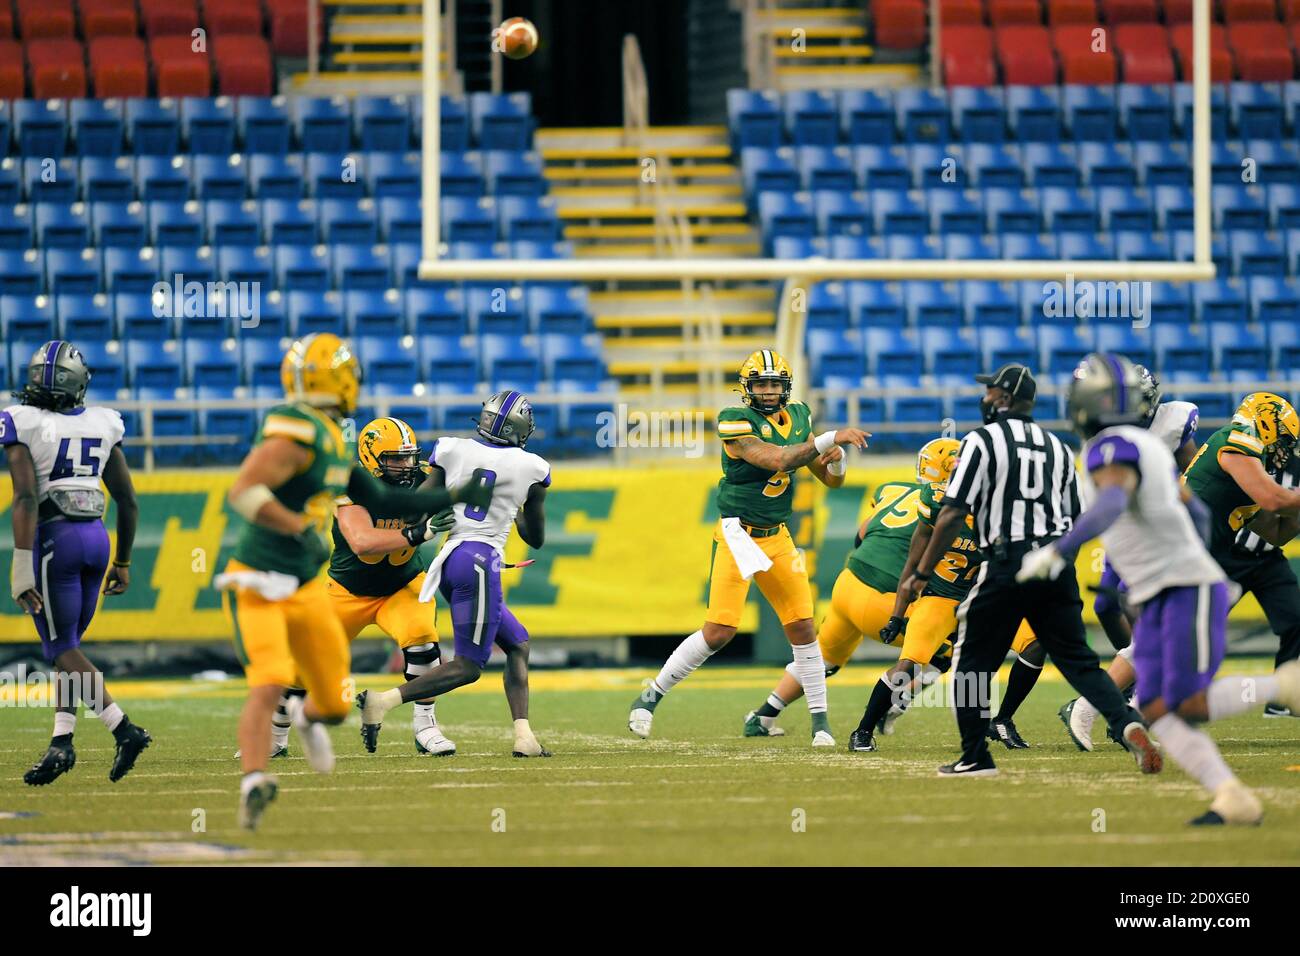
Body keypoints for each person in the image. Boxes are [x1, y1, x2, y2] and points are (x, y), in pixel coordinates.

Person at [1019, 353, 1300, 824]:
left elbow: (1111, 501)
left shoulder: (1112, 448)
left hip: (1182, 585)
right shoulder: (1151, 445)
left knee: (1181, 704)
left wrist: (1061, 550)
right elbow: (1193, 508)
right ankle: (1232, 797)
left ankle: (1285, 685)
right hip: (1172, 582)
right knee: (1160, 712)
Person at [217, 333, 483, 829]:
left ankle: (424, 726)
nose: (407, 466)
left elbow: (399, 503)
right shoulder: (300, 430)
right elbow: (359, 540)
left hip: (393, 586)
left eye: (409, 458)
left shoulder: (335, 440)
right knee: (278, 677)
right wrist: (297, 527)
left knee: (400, 654)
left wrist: (453, 496)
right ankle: (263, 763)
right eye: (396, 458)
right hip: (331, 587)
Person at [902, 362, 1160, 778]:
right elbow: (1077, 514)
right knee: (1079, 662)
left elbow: (951, 513)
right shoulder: (1057, 448)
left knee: (973, 663)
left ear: (1003, 398)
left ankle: (974, 756)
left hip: (1006, 561)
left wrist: (920, 571)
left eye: (990, 393)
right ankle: (1127, 722)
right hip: (1055, 563)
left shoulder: (982, 441)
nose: (984, 398)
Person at [627, 350, 868, 747]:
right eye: (761, 384)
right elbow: (776, 458)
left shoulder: (800, 416)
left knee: (804, 627)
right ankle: (649, 697)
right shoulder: (734, 421)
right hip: (738, 534)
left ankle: (821, 724)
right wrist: (829, 438)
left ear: (785, 387)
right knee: (719, 632)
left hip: (778, 534)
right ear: (747, 389)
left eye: (775, 384)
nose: (769, 391)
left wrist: (837, 462)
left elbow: (829, 480)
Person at [357, 390, 552, 759]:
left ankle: (524, 737)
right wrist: (512, 504)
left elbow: (416, 511)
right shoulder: (534, 468)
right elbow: (535, 538)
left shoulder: (451, 449)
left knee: (517, 644)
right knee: (468, 666)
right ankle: (381, 702)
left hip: (451, 559)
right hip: (480, 561)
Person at [4, 341, 151, 786]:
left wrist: (21, 562)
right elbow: (127, 500)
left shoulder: (21, 420)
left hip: (55, 540)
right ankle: (61, 742)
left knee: (61, 649)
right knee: (67, 648)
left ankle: (124, 730)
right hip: (96, 538)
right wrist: (123, 560)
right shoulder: (103, 421)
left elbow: (26, 496)